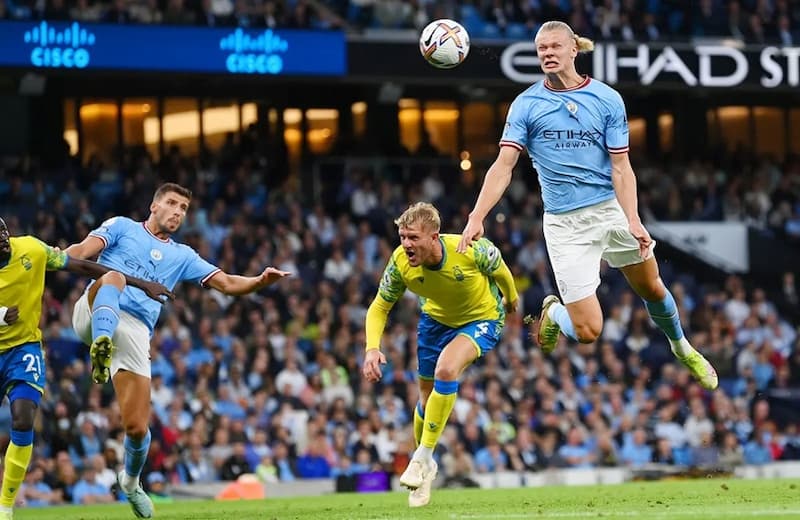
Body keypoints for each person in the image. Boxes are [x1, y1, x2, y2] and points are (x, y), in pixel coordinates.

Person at [457, 21, 717, 392]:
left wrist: (633, 219)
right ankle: (552, 312)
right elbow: (503, 165)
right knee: (588, 331)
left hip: (610, 211)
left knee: (653, 288)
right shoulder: (527, 105)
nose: (547, 54)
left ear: (572, 50)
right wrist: (476, 216)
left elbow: (621, 166)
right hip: (565, 226)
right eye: (541, 49)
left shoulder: (607, 99)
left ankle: (683, 347)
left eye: (554, 47)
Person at [65, 183, 290, 518]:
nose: (177, 212)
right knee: (113, 277)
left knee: (138, 428)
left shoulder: (183, 255)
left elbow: (227, 283)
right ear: (154, 206)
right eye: (171, 203)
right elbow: (80, 250)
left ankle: (129, 481)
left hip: (137, 331)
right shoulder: (122, 226)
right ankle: (101, 342)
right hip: (96, 307)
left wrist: (258, 281)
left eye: (183, 208)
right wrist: (58, 256)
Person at [0, 217, 171, 520]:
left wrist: (138, 283)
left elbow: (82, 265)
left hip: (22, 350)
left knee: (24, 420)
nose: (2, 237)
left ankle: (5, 507)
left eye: (2, 230)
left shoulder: (31, 249)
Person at [362, 202, 518, 508]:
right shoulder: (400, 263)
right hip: (434, 322)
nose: (406, 244)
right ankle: (426, 468)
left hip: (481, 318)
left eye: (413, 237)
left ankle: (422, 457)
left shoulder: (470, 249)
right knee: (425, 398)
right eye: (403, 237)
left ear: (434, 237)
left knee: (446, 369)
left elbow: (502, 271)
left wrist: (511, 300)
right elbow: (380, 306)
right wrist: (372, 348)